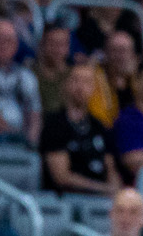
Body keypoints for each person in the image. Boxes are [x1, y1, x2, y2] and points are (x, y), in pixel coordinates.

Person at [40, 63, 119, 197]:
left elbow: (111, 168)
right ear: (65, 84)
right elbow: (61, 177)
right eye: (76, 80)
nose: (81, 87)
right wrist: (103, 189)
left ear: (94, 88)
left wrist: (116, 191)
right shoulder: (54, 124)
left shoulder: (99, 126)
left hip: (101, 202)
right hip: (67, 200)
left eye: (87, 82)